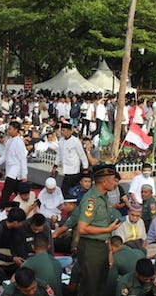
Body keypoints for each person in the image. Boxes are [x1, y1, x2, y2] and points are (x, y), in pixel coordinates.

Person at [77, 164, 122, 296]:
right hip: (91, 248)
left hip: (102, 247)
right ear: (104, 181)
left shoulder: (104, 196)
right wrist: (107, 229)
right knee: (90, 288)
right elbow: (82, 228)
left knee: (100, 287)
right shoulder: (91, 200)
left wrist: (109, 251)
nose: (115, 183)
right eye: (113, 179)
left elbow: (103, 224)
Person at [0, 121, 28, 209]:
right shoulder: (9, 141)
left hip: (15, 171)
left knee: (6, 193)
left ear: (16, 130)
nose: (9, 131)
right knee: (18, 193)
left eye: (10, 129)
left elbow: (22, 159)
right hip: (10, 170)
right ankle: (21, 207)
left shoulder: (19, 142)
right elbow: (5, 155)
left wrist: (24, 175)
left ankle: (0, 208)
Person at [0, 207, 26, 274]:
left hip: (9, 253)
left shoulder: (17, 229)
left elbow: (20, 244)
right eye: (21, 223)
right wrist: (12, 258)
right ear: (15, 222)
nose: (22, 225)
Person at [52, 123, 89, 197]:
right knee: (66, 191)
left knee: (70, 190)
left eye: (63, 130)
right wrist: (55, 166)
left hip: (74, 170)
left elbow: (82, 155)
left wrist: (85, 168)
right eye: (61, 130)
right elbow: (59, 154)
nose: (62, 132)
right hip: (65, 170)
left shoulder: (75, 141)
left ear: (69, 131)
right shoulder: (61, 140)